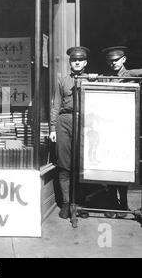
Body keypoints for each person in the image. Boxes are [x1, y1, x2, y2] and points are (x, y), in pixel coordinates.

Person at [49, 46, 92, 219]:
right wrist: (52, 127)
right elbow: (56, 105)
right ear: (70, 62)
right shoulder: (63, 81)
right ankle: (66, 203)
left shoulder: (91, 80)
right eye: (74, 60)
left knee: (81, 164)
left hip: (85, 123)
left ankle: (80, 202)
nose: (77, 62)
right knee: (64, 164)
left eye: (80, 60)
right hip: (64, 122)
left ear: (85, 62)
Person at [101, 46, 142, 218]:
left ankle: (123, 204)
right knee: (110, 166)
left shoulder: (131, 76)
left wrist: (130, 74)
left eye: (116, 60)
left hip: (125, 127)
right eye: (110, 61)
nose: (113, 64)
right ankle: (112, 204)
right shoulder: (107, 78)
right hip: (109, 128)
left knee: (123, 166)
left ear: (124, 59)